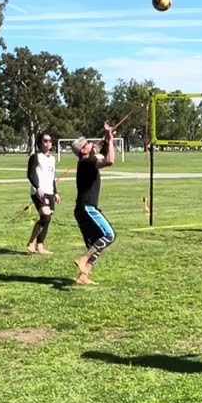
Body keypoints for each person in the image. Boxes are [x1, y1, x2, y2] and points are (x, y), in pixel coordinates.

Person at [71, 122, 117, 285]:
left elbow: (103, 153)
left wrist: (108, 138)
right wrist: (110, 141)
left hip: (81, 209)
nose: (92, 144)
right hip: (87, 208)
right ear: (84, 150)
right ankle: (83, 260)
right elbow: (110, 160)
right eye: (89, 143)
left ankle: (83, 276)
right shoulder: (87, 162)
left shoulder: (87, 162)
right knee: (109, 235)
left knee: (96, 243)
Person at [26, 132, 60, 255]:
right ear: (40, 143)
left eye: (50, 140)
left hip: (50, 191)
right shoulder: (36, 157)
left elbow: (52, 177)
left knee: (47, 219)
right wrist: (37, 187)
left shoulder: (52, 159)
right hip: (39, 191)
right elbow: (30, 174)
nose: (48, 143)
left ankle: (40, 246)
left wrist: (56, 192)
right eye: (45, 140)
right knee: (45, 215)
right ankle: (31, 242)